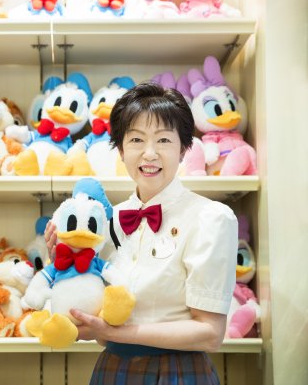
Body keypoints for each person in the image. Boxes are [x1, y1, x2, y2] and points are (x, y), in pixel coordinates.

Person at [45, 82, 238, 384]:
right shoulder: (106, 222)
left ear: (184, 149)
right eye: (136, 139)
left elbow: (210, 333)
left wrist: (119, 333)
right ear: (121, 150)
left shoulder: (210, 218)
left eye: (163, 140)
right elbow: (96, 313)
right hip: (113, 369)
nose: (149, 154)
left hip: (179, 372)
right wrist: (64, 268)